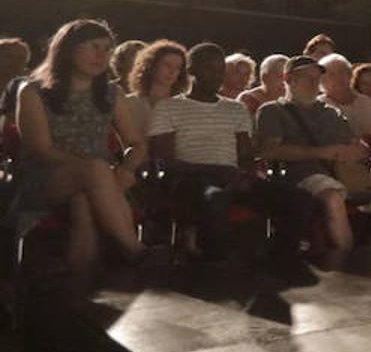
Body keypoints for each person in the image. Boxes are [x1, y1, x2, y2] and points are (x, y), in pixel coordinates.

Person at [14, 20, 147, 271]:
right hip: (46, 177)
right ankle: (135, 249)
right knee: (94, 173)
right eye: (94, 47)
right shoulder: (32, 91)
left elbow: (136, 143)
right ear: (69, 49)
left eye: (107, 49)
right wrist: (96, 172)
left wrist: (127, 168)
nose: (102, 55)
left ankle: (79, 286)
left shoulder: (111, 93)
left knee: (83, 205)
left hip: (99, 182)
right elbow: (40, 149)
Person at [255, 56, 371, 250]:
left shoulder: (331, 113)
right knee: (333, 198)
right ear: (289, 80)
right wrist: (321, 152)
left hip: (345, 171)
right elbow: (270, 150)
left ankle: (368, 252)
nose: (314, 84)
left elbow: (358, 146)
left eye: (317, 79)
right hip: (305, 173)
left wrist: (354, 152)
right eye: (308, 78)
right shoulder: (272, 110)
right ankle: (348, 256)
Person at [146, 43, 257, 260]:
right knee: (215, 196)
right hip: (190, 179)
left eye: (220, 70)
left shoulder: (236, 108)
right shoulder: (168, 107)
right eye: (209, 69)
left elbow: (245, 155)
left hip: (231, 176)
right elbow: (165, 161)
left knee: (296, 198)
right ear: (192, 70)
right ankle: (214, 264)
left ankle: (282, 264)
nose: (217, 76)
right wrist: (218, 171)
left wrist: (247, 175)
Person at [125, 40, 188, 136]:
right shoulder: (128, 103)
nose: (172, 71)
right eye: (167, 65)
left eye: (177, 67)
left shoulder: (184, 106)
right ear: (151, 65)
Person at [318, 54, 371, 139]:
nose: (338, 78)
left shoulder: (366, 102)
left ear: (350, 75)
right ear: (322, 81)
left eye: (341, 72)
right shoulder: (318, 106)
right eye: (331, 74)